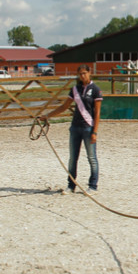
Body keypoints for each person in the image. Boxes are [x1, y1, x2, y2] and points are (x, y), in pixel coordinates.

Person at [40, 65, 102, 194]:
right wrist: (47, 116)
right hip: (75, 127)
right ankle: (71, 184)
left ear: (89, 73)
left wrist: (95, 131)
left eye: (84, 73)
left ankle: (93, 185)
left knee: (92, 157)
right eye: (80, 74)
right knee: (73, 158)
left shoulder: (95, 90)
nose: (82, 76)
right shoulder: (75, 89)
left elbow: (97, 113)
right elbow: (64, 106)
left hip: (88, 127)